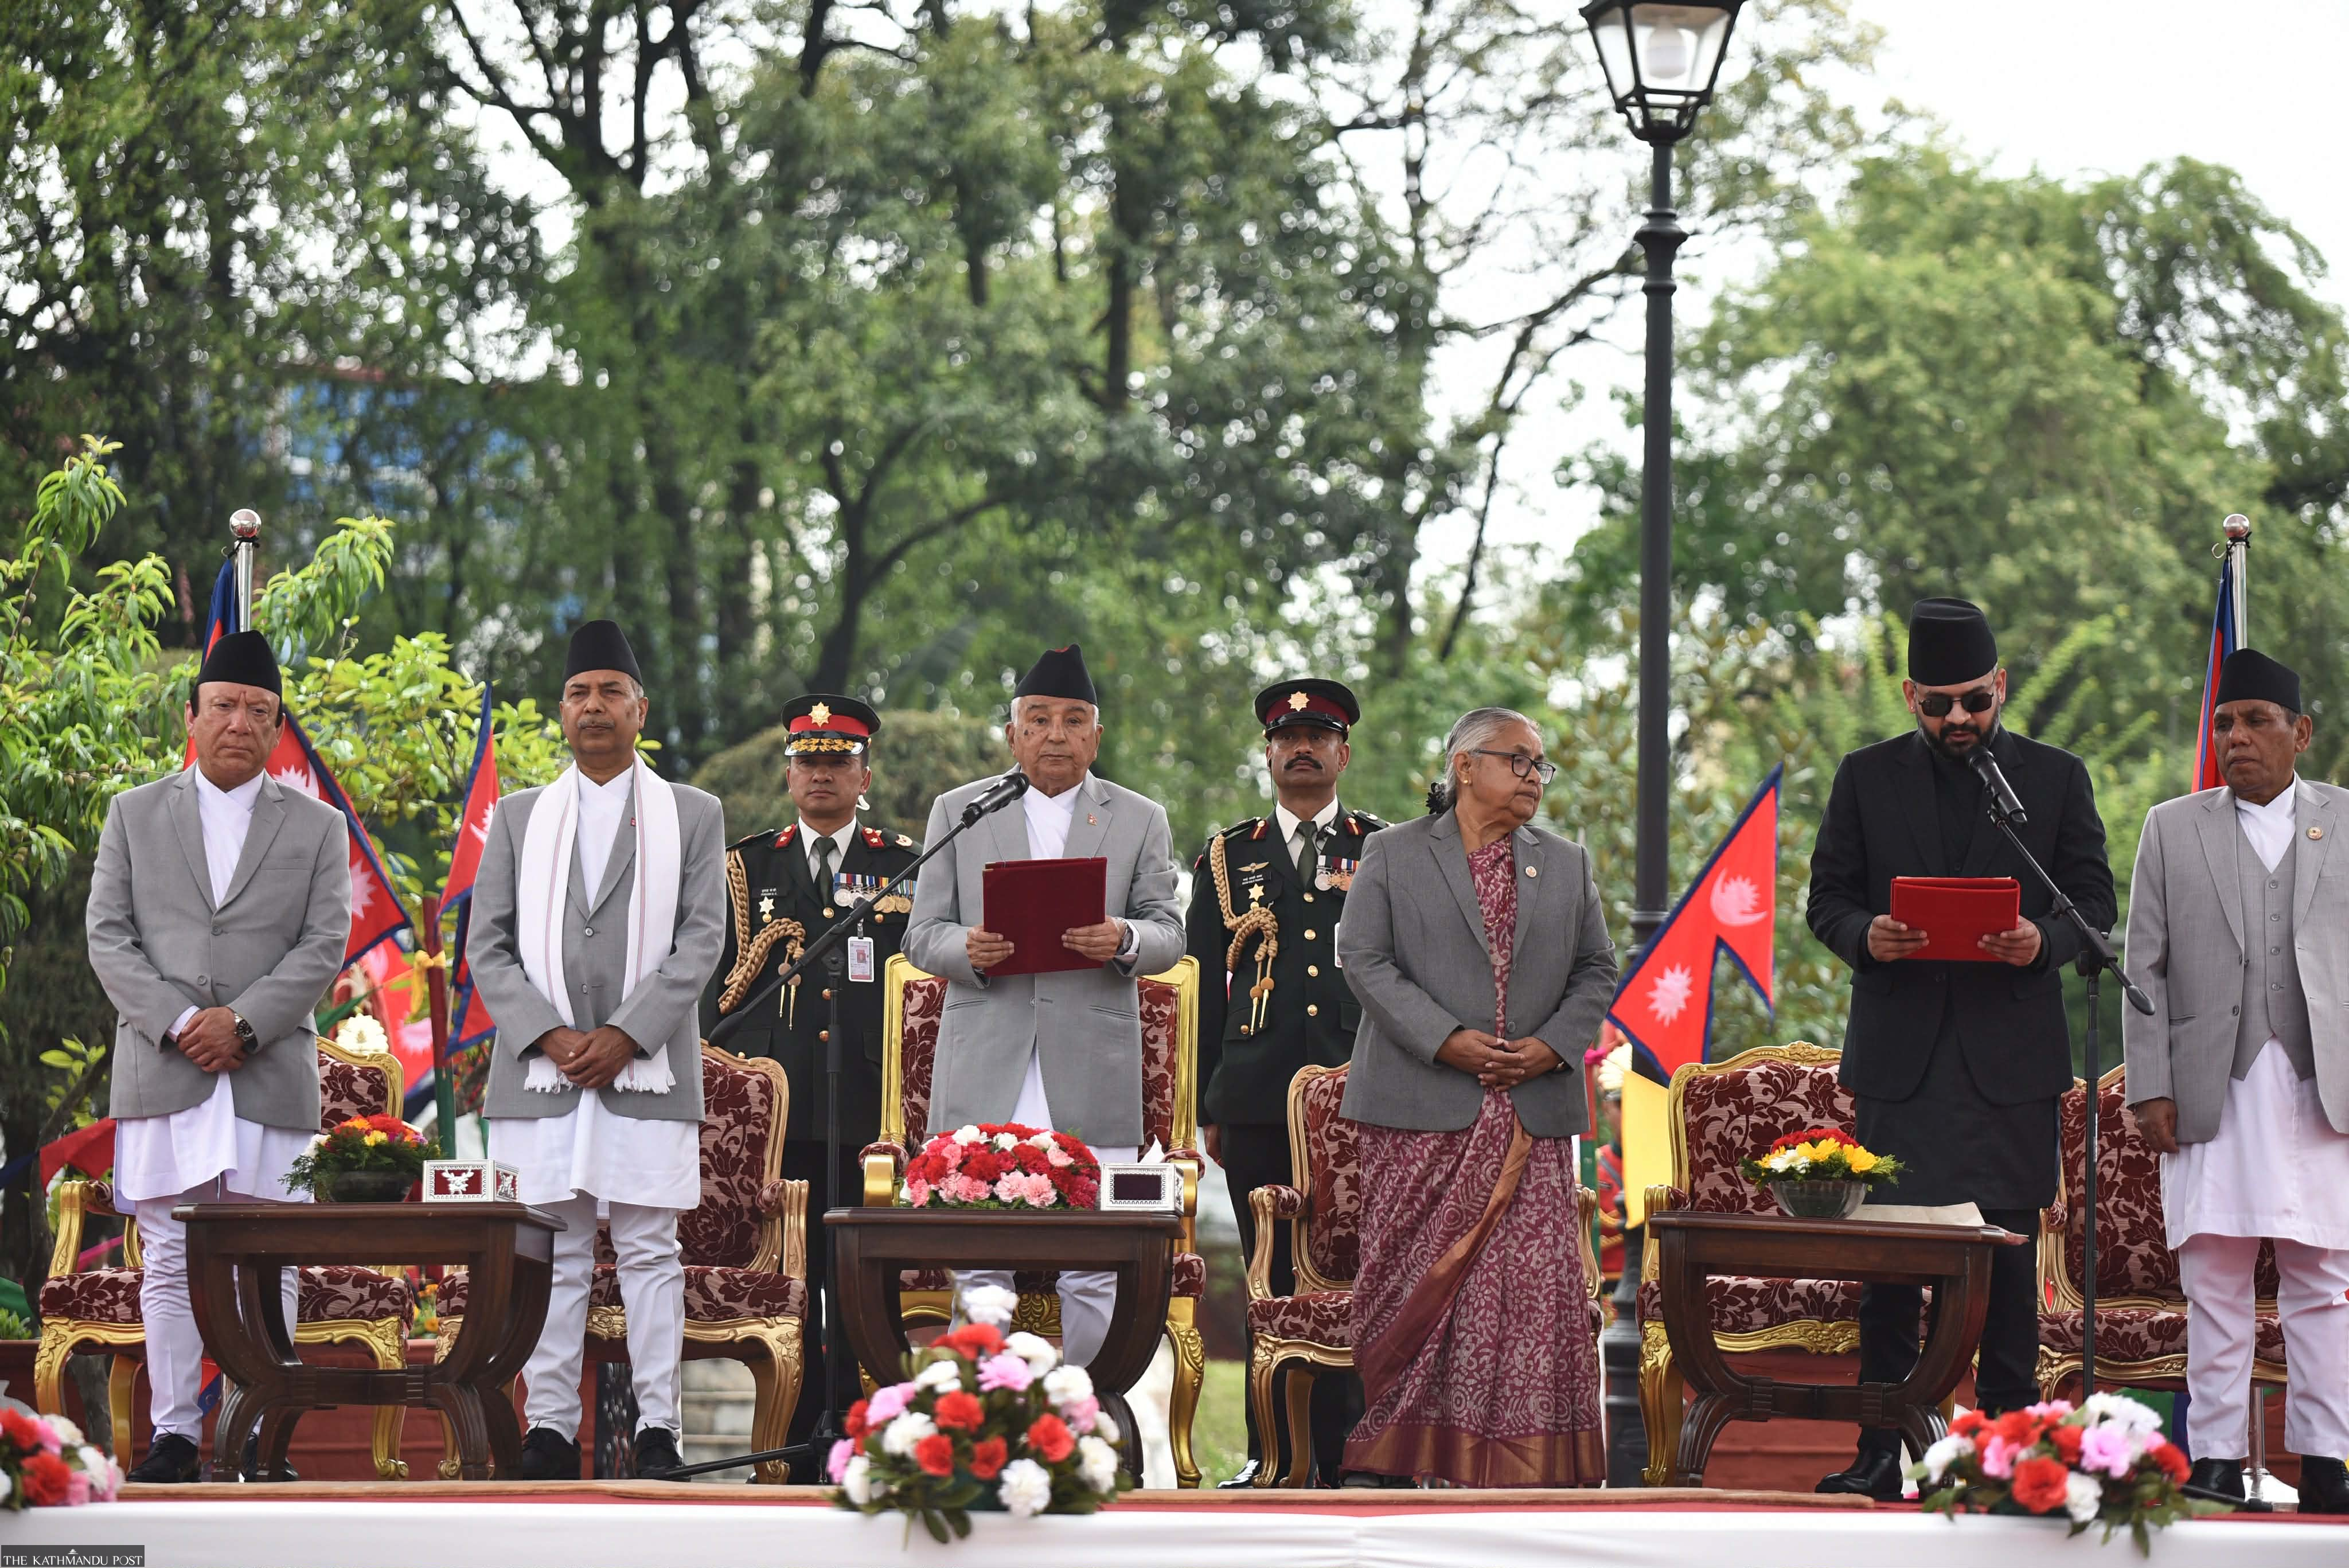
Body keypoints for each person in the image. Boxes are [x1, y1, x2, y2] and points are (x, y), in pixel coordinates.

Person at [1805, 596, 2116, 1499]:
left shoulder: (2055, 779)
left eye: (1974, 702)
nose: (1957, 720)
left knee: (2009, 1272)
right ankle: (1881, 1454)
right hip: (1904, 1066)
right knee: (1891, 1270)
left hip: (2010, 1067)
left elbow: (2094, 908)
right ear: (1908, 695)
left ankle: (2012, 1455)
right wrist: (1870, 935)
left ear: (2001, 687)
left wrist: (2041, 941)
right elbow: (1828, 900)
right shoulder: (1865, 776)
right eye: (1937, 704)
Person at [85, 631, 352, 1483]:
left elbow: (323, 946)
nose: (241, 722)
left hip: (266, 1070)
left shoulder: (316, 826)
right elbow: (109, 937)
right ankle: (172, 1434)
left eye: (260, 711)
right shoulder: (133, 812)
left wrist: (241, 1022)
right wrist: (179, 1019)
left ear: (278, 729)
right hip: (165, 1067)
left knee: (269, 1253)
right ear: (191, 715)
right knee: (166, 1248)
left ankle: (258, 1438)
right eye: (226, 705)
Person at [467, 621, 728, 1480]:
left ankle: (661, 1429)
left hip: (645, 1069)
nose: (593, 707)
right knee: (553, 1247)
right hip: (539, 1070)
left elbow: (702, 939)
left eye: (610, 692)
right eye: (579, 693)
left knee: (652, 1249)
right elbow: (488, 946)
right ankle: (548, 1427)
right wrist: (548, 1031)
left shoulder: (692, 812)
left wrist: (626, 1033)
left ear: (639, 709)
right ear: (562, 710)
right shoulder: (518, 817)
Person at [1334, 706, 1616, 1486]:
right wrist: (1446, 1038)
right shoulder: (1390, 853)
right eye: (1518, 760)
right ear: (1466, 765)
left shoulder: (1565, 862)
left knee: (1522, 1304)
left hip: (1532, 1115)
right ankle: (1393, 1462)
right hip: (1420, 1110)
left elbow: (1598, 968)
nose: (1533, 776)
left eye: (1539, 765)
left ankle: (1520, 1473)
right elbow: (1363, 958)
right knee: (1412, 1288)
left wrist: (1550, 1046)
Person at [903, 643, 1184, 1366]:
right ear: (1012, 734)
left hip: (1092, 1064)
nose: (1055, 735)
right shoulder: (960, 810)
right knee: (978, 1257)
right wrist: (967, 947)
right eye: (1038, 720)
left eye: (1072, 720)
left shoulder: (1139, 816)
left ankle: (1087, 1415)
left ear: (1096, 735)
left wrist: (1121, 937)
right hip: (988, 1061)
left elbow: (1168, 931)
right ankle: (987, 1415)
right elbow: (920, 932)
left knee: (1093, 1259)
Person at [2121, 648, 2349, 1513]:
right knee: (2212, 1276)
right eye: (2224, 721)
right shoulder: (2171, 827)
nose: (2236, 737)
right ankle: (2214, 1457)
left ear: (2302, 732)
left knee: (2322, 1282)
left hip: (2324, 1087)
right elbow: (2145, 965)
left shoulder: (2347, 821)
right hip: (2211, 1084)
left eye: (2256, 720)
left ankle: (2327, 1457)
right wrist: (2150, 1084)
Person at [699, 692, 919, 1471]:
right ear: (789, 773)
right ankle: (792, 1444)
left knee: (861, 1285)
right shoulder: (746, 865)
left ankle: (868, 1437)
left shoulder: (904, 864)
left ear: (866, 774)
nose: (821, 774)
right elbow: (714, 994)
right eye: (808, 761)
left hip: (868, 1107)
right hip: (774, 1112)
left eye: (838, 761)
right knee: (791, 1280)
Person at [1185, 678, 1384, 1487]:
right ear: (1268, 753)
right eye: (1287, 736)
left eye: (1320, 734)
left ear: (1343, 752)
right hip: (1259, 1095)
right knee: (1271, 1279)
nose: (1302, 748)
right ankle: (1275, 1454)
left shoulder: (1384, 848)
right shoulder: (1231, 855)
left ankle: (1356, 1457)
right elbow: (1200, 982)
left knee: (1358, 1273)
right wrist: (1205, 1100)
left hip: (1363, 1094)